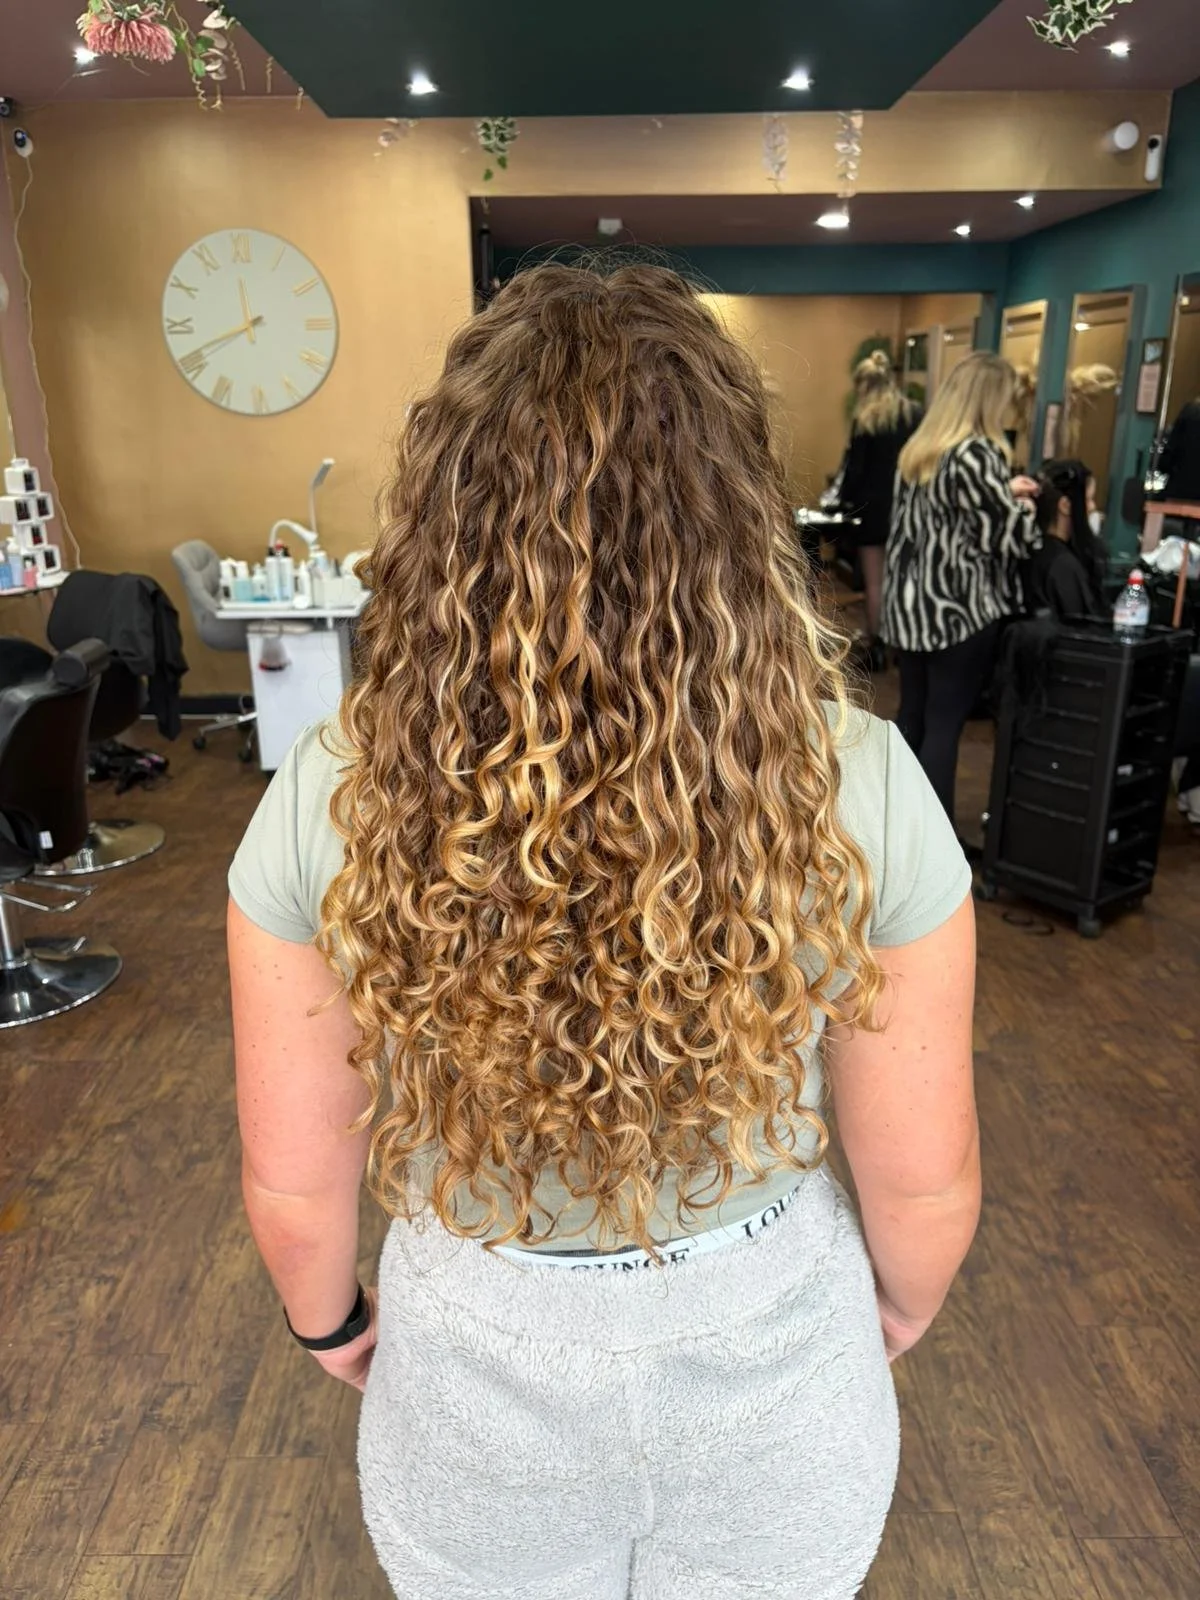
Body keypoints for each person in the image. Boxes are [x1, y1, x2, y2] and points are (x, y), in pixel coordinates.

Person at [227, 264, 979, 1600]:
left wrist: (330, 1321)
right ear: (735, 512)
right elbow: (920, 1176)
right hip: (768, 1334)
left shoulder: (332, 789)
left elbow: (295, 1186)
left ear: (447, 516)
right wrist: (899, 1306)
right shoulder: (860, 779)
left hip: (477, 1343)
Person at [883, 350, 1041, 825]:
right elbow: (1008, 539)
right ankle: (938, 848)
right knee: (944, 726)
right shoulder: (978, 453)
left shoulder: (919, 451)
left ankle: (897, 832)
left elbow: (944, 517)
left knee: (912, 719)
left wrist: (1002, 491)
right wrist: (1029, 510)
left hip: (910, 608)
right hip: (957, 610)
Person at [837, 349, 922, 666]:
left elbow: (854, 472)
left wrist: (843, 502)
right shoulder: (913, 414)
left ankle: (877, 647)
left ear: (863, 385)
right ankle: (903, 645)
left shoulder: (865, 420)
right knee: (902, 579)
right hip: (907, 509)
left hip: (872, 511)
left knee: (875, 583)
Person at [1024, 457, 1106, 620]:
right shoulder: (1063, 566)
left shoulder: (1031, 550)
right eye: (1088, 500)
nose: (1092, 507)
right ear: (1065, 506)